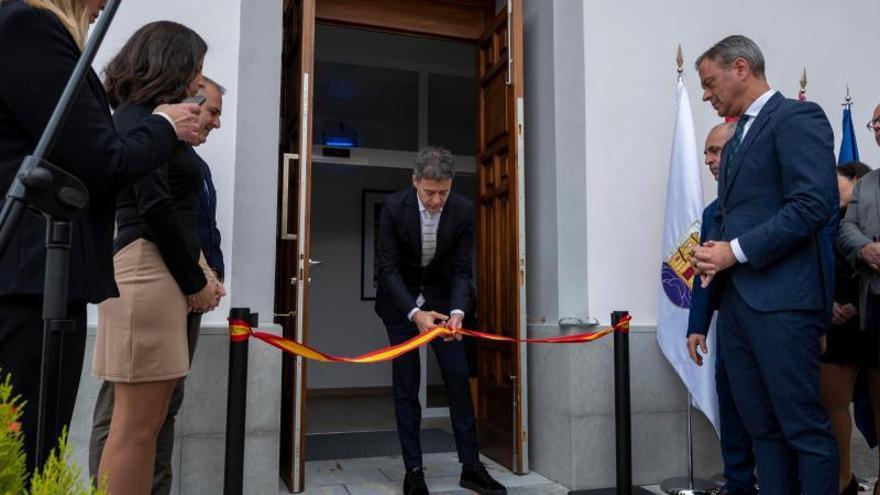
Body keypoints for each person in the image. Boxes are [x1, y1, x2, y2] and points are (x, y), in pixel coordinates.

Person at [0, 0, 200, 475]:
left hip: (46, 277)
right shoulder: (26, 24)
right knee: (29, 450)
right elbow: (106, 164)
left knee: (44, 443)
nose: (100, 6)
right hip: (31, 278)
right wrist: (167, 126)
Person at [691, 35, 838, 494]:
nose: (706, 95)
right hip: (736, 309)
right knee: (762, 432)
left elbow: (814, 204)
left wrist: (732, 251)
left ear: (740, 68)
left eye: (710, 83)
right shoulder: (734, 143)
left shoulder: (797, 118)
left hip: (782, 305)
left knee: (803, 430)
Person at [90, 21, 223, 494]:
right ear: (170, 61)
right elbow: (155, 206)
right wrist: (195, 281)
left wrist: (200, 272)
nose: (196, 80)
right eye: (196, 68)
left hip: (156, 271)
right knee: (134, 429)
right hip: (147, 271)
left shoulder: (144, 116)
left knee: (146, 427)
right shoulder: (139, 117)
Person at [375, 146, 505, 495]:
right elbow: (387, 271)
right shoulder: (393, 207)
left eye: (442, 193)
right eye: (429, 192)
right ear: (415, 181)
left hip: (445, 307)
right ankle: (413, 470)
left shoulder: (462, 211)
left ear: (451, 186)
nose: (435, 201)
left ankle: (471, 466)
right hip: (402, 308)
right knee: (406, 385)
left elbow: (462, 270)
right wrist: (416, 313)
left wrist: (459, 313)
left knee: (459, 378)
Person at [687, 121, 757, 495]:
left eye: (715, 151)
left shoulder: (765, 203)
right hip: (728, 327)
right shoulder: (714, 209)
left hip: (765, 326)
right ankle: (739, 484)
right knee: (731, 412)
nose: (709, 160)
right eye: (706, 153)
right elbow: (702, 274)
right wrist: (696, 325)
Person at [819, 160, 874, 495]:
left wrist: (853, 303)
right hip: (830, 321)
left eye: (834, 180)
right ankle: (839, 479)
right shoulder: (825, 219)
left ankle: (858, 479)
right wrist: (828, 307)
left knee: (852, 402)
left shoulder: (868, 216)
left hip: (863, 320)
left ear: (856, 180)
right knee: (827, 401)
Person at [838, 103, 880, 495]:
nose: (879, 127)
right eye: (876, 122)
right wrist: (866, 249)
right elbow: (846, 230)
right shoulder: (867, 184)